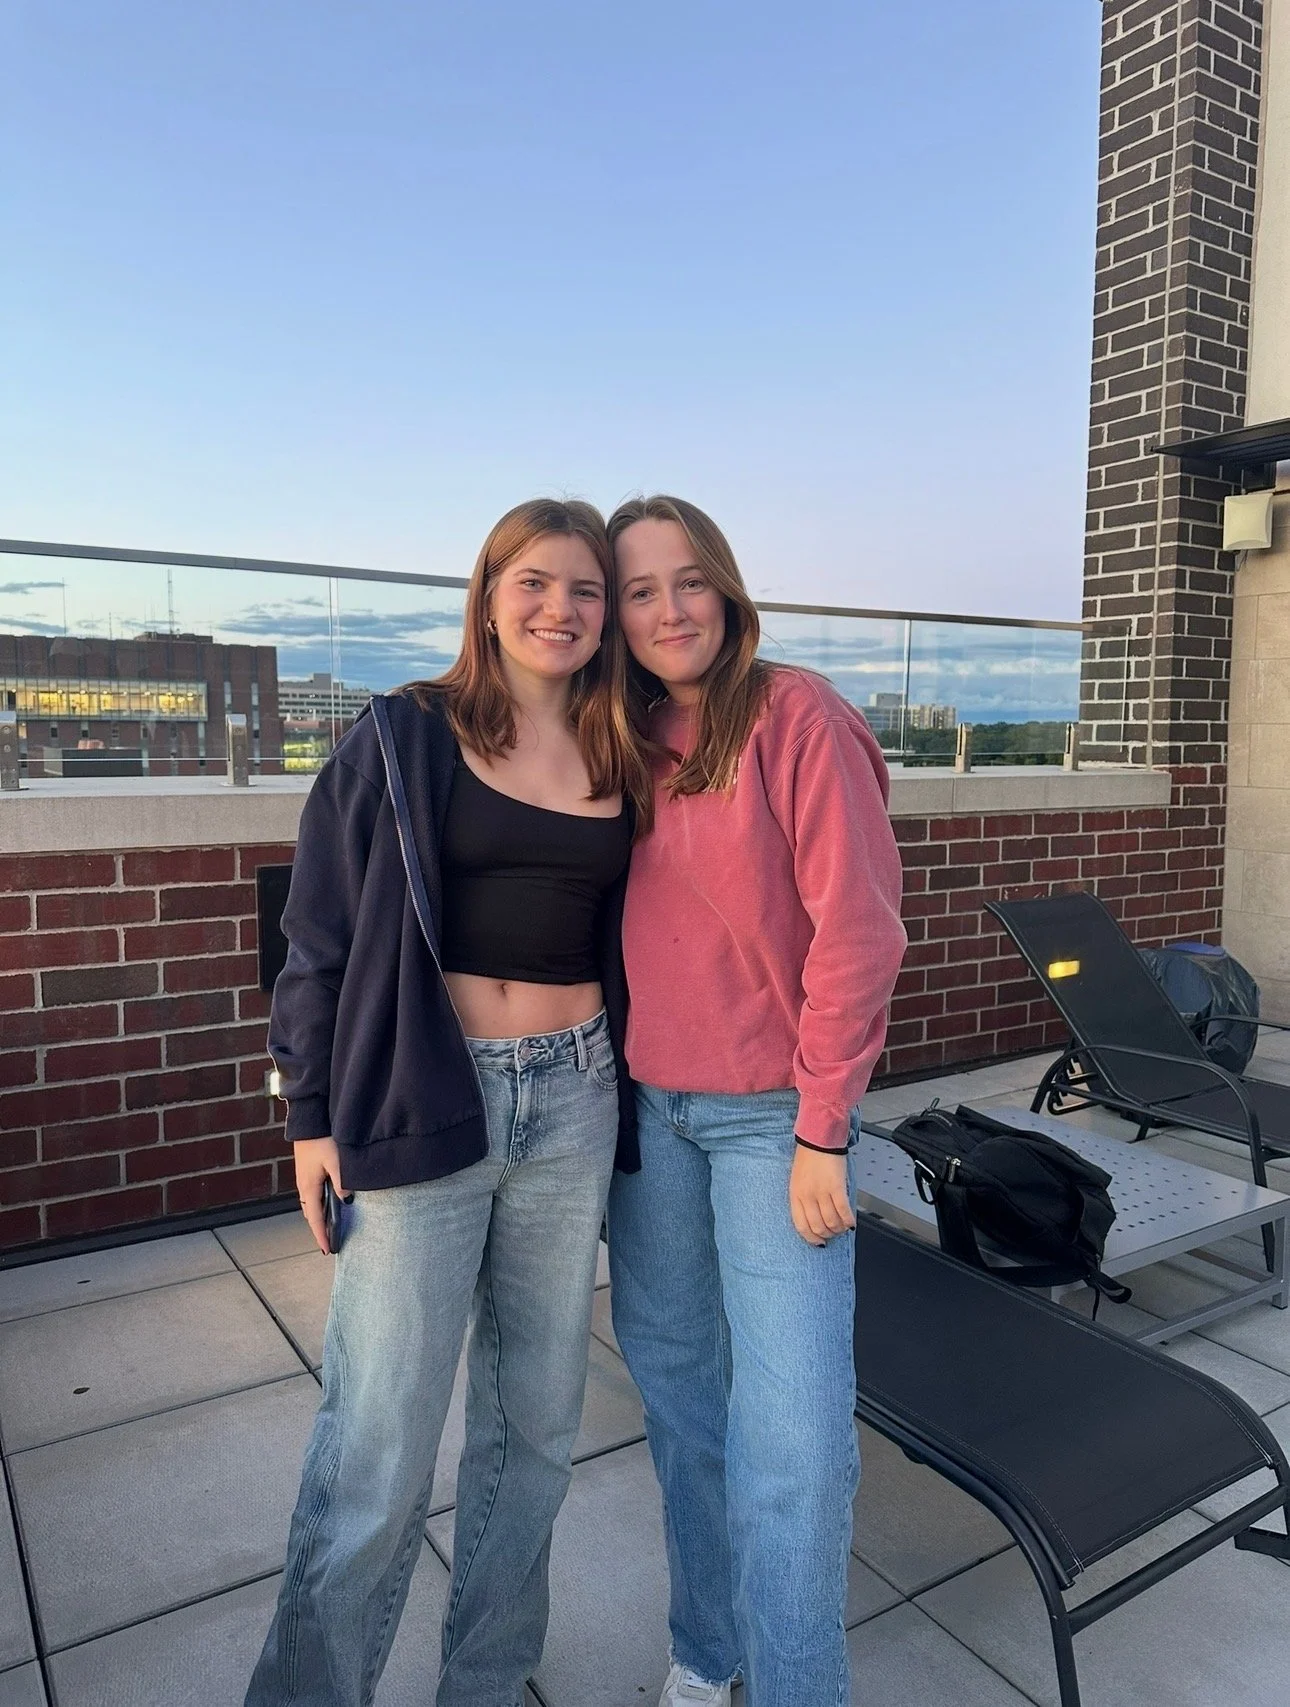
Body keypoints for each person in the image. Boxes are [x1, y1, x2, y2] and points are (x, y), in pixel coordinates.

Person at [246, 497, 652, 1707]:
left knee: (533, 1433)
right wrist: (309, 1116)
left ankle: (486, 1681)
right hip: (428, 1093)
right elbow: (316, 936)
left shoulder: (623, 749)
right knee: (377, 1448)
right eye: (535, 582)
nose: (560, 609)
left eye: (586, 590)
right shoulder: (401, 736)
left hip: (575, 1096)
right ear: (487, 595)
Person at [604, 495, 906, 1707]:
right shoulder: (619, 736)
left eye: (689, 580)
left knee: (794, 1437)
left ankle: (795, 1686)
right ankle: (706, 1649)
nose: (669, 609)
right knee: (682, 1406)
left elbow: (859, 934)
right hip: (647, 1119)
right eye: (638, 590)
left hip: (773, 1120)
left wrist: (824, 1126)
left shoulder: (797, 716)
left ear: (727, 589)